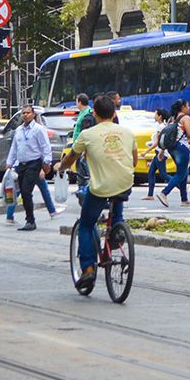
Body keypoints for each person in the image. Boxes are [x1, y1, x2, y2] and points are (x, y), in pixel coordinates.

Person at [59, 94, 137, 290]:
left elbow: (71, 157)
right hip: (125, 183)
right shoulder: (128, 133)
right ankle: (118, 231)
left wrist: (61, 166)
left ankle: (88, 269)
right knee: (117, 206)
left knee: (86, 224)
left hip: (101, 187)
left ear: (94, 113)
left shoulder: (87, 135)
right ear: (114, 113)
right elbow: (134, 161)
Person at [5, 105, 53, 232]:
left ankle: (30, 221)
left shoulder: (38, 129)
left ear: (33, 114)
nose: (25, 115)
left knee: (26, 191)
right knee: (22, 192)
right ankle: (29, 219)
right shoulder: (19, 130)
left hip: (34, 164)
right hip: (21, 165)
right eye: (23, 113)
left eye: (28, 113)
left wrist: (46, 163)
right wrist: (9, 162)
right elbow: (14, 148)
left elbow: (45, 147)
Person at [156, 99, 190, 208]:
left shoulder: (172, 119)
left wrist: (162, 150)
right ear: (183, 107)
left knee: (184, 172)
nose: (189, 108)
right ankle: (164, 193)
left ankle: (184, 199)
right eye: (188, 106)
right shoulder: (186, 118)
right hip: (182, 148)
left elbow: (168, 136)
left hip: (172, 148)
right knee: (181, 173)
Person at [142, 108, 170, 200]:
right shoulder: (162, 126)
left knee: (163, 174)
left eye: (155, 114)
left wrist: (145, 152)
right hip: (159, 152)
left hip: (160, 153)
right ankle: (150, 195)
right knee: (151, 173)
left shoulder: (160, 127)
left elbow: (156, 143)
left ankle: (179, 186)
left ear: (160, 116)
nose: (154, 116)